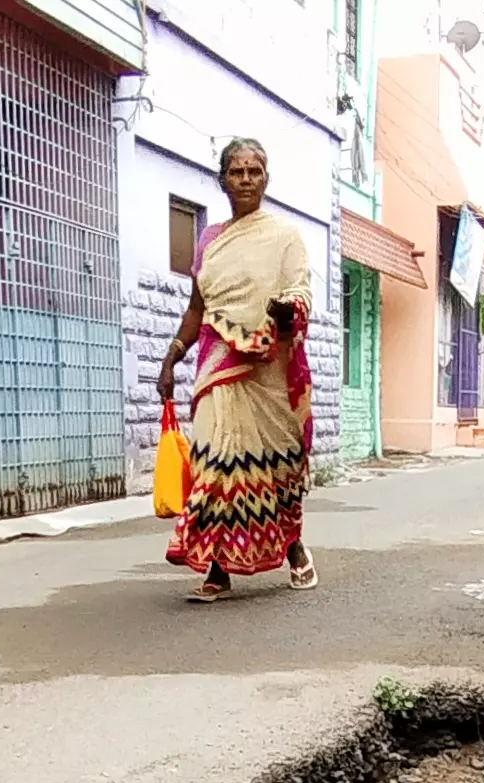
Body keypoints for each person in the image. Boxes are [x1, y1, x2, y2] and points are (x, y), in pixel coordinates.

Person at [155, 138, 316, 603]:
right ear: (222, 179)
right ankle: (218, 564)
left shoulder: (286, 237)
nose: (245, 180)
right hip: (216, 368)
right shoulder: (210, 241)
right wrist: (171, 357)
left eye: (254, 172)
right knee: (214, 461)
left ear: (266, 178)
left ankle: (293, 547)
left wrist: (286, 311)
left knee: (277, 467)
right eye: (237, 172)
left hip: (268, 370)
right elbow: (196, 309)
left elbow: (299, 292)